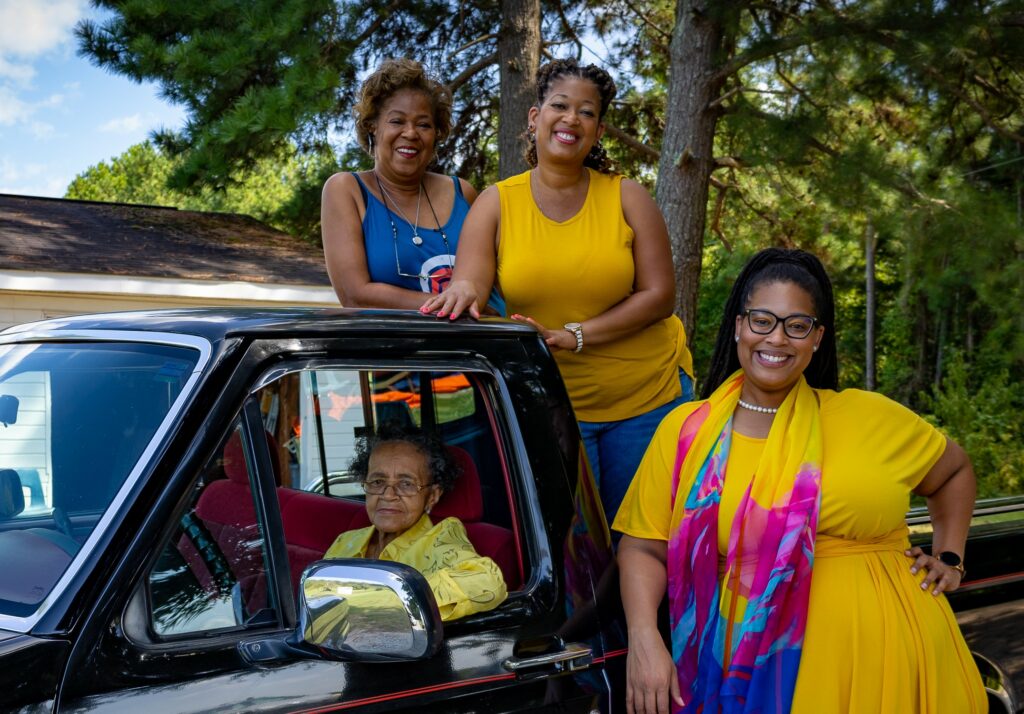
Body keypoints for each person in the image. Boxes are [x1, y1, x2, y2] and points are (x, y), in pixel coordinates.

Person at [612, 247, 986, 714]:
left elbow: (953, 471)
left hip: (893, 658)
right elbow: (642, 545)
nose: (777, 339)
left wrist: (949, 557)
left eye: (797, 325)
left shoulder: (869, 416)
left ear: (817, 338)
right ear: (738, 326)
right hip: (749, 673)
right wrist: (645, 639)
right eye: (762, 320)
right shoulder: (688, 431)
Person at [421, 58, 694, 525]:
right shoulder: (496, 202)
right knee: (576, 549)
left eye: (586, 113)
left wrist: (576, 334)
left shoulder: (628, 196)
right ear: (534, 116)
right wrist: (460, 293)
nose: (571, 119)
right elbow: (471, 280)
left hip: (651, 399)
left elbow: (660, 296)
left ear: (599, 130)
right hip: (556, 407)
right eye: (560, 105)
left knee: (645, 545)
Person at [321, 58, 503, 313]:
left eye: (423, 124)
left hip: (478, 346)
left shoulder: (463, 192)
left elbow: (497, 282)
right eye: (397, 121)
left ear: (436, 134)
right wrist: (454, 306)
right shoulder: (346, 190)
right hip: (397, 349)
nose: (411, 133)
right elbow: (356, 295)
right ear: (372, 126)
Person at [324, 422, 507, 622]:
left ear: (432, 496)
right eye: (377, 482)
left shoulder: (440, 537)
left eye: (406, 484)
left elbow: (487, 582)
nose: (389, 495)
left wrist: (386, 602)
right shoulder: (347, 540)